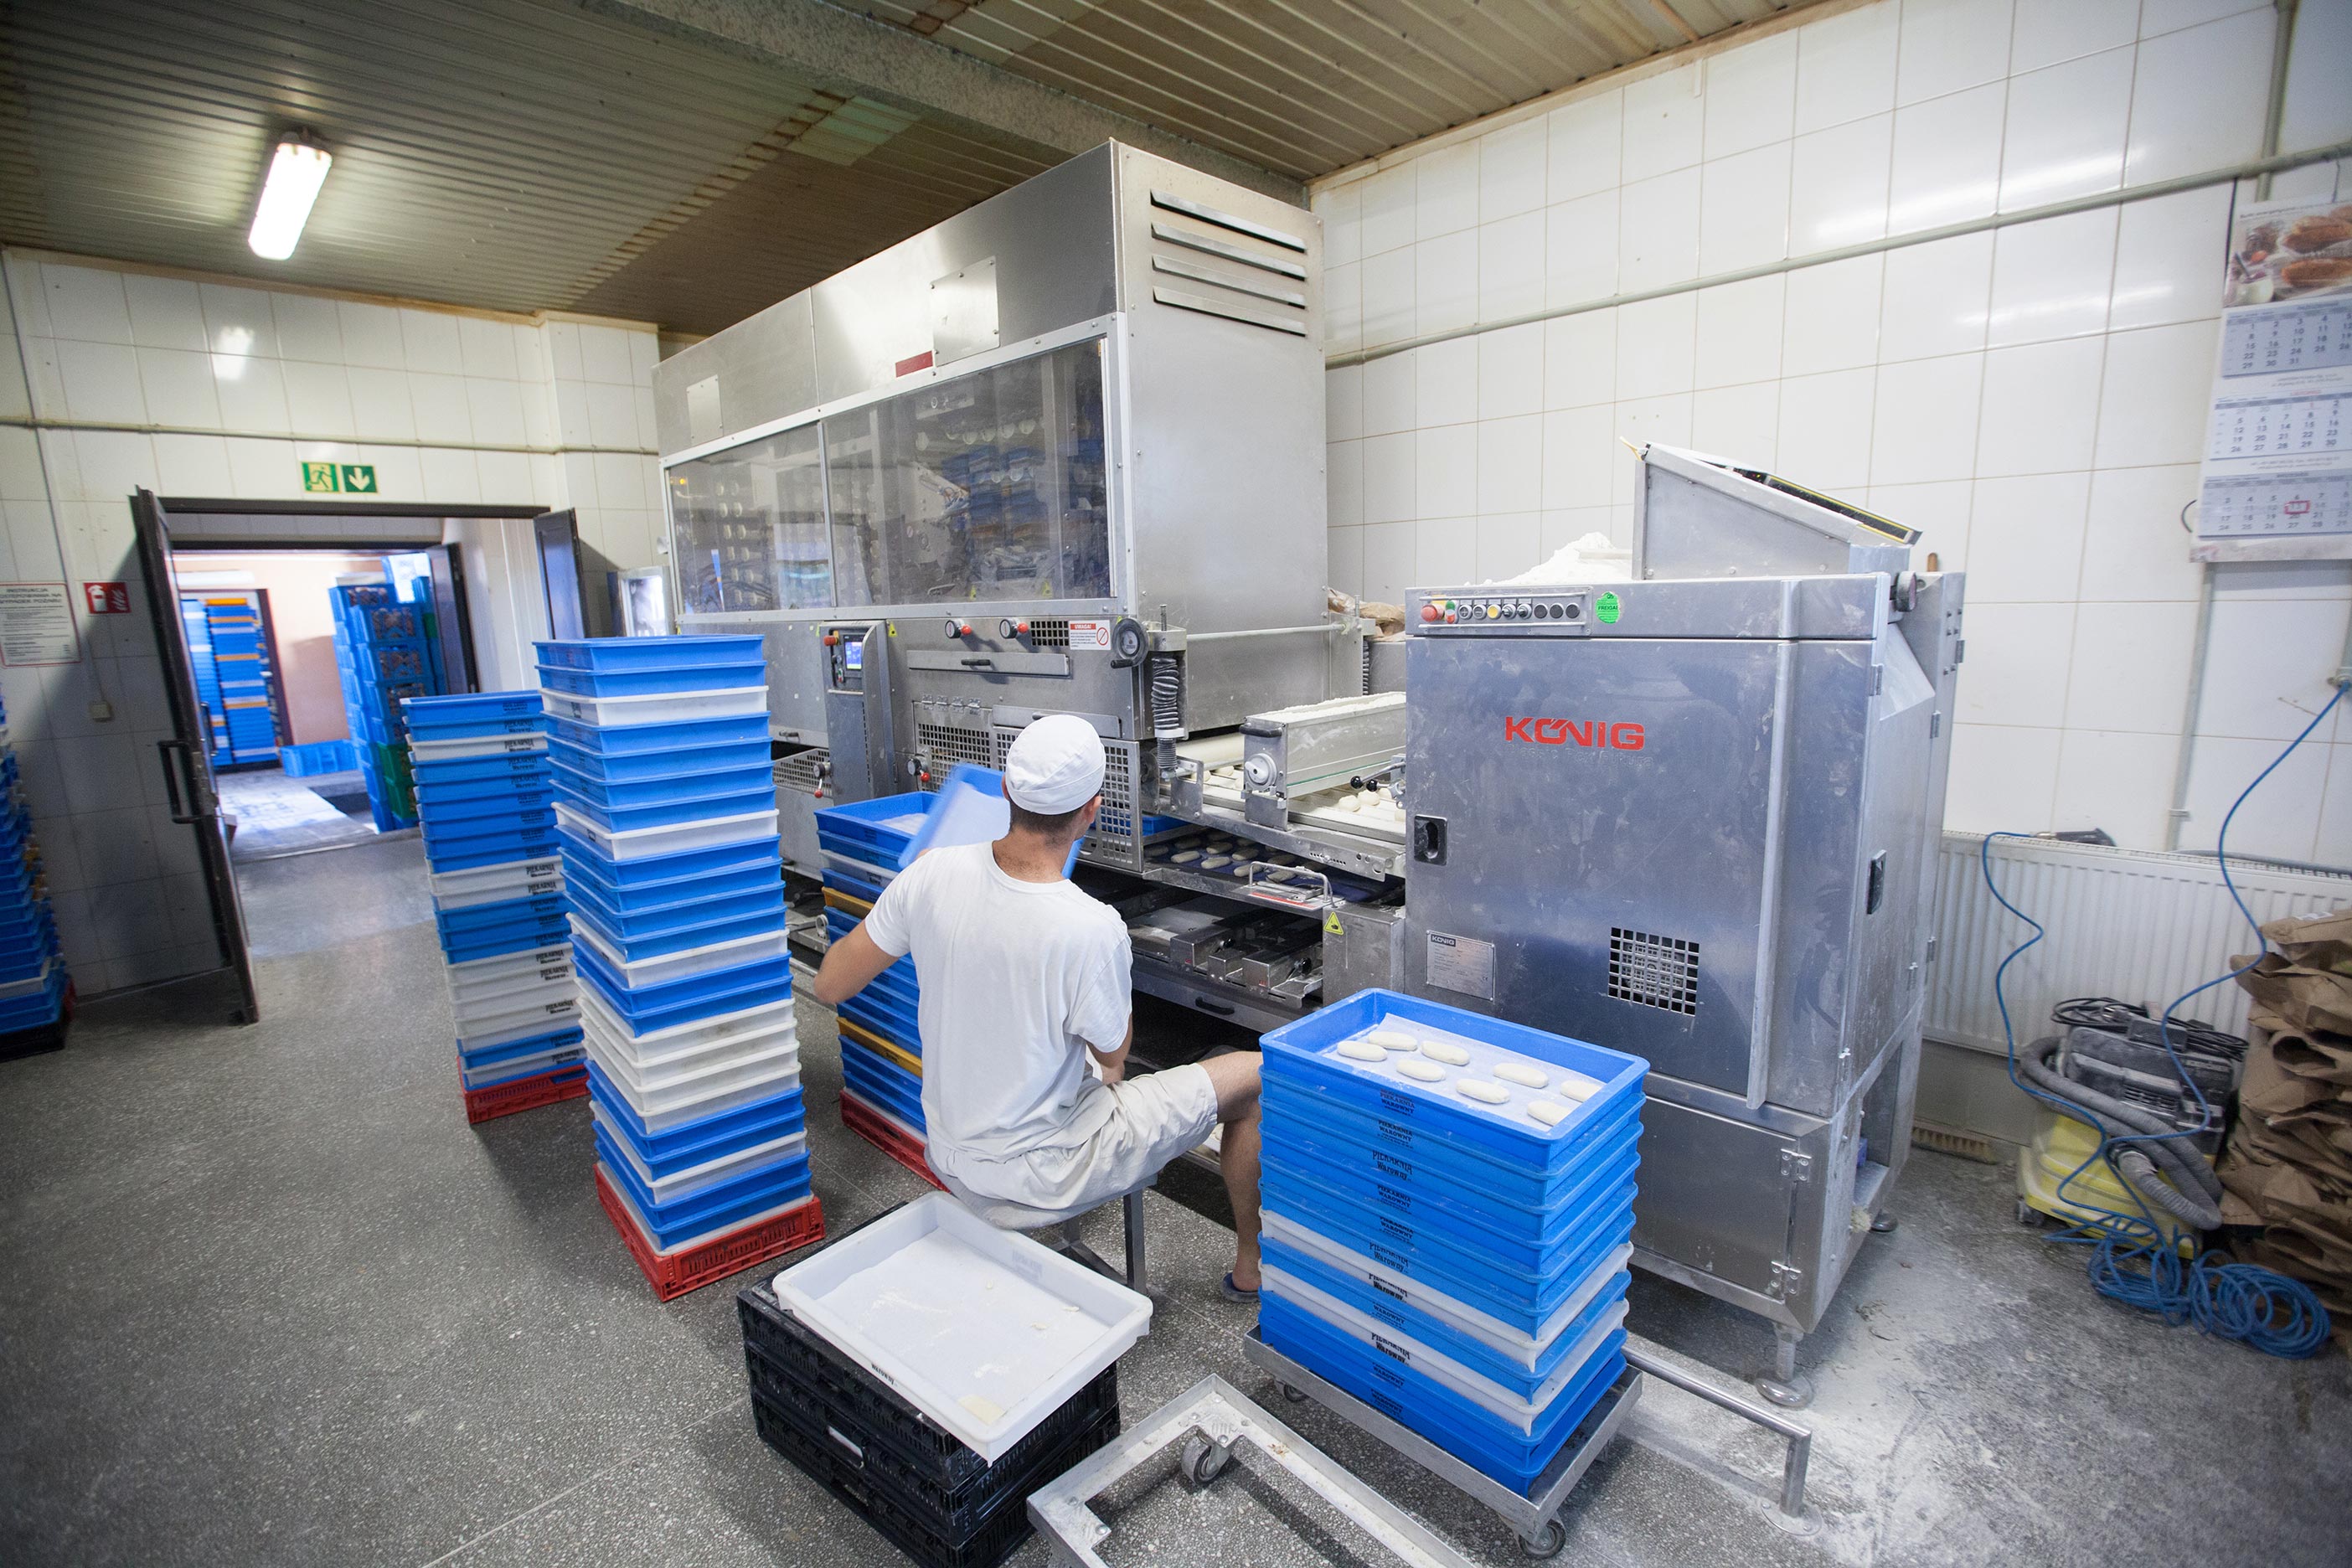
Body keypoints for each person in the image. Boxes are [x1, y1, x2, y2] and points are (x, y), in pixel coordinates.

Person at [812, 714, 1264, 1299]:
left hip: (951, 1152)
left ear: (1006, 790)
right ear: (1092, 810)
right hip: (1044, 1171)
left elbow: (829, 985)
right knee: (1253, 1077)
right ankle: (1251, 1269)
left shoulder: (930, 873)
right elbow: (1113, 1053)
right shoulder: (1090, 927)